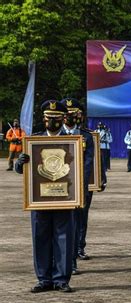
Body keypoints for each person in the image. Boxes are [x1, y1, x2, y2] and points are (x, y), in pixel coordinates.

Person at [15, 100, 75, 293]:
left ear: (63, 119)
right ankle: (44, 279)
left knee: (63, 239)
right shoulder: (34, 140)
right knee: (40, 238)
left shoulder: (73, 142)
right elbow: (20, 170)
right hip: (39, 199)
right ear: (44, 119)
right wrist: (20, 162)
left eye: (57, 118)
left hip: (64, 198)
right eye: (49, 118)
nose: (53, 122)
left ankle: (61, 279)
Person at [61, 98, 95, 273]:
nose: (70, 116)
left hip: (80, 186)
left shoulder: (87, 136)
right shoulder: (53, 134)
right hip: (58, 188)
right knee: (62, 225)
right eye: (67, 114)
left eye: (73, 113)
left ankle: (75, 255)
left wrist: (79, 184)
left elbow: (89, 162)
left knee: (78, 221)